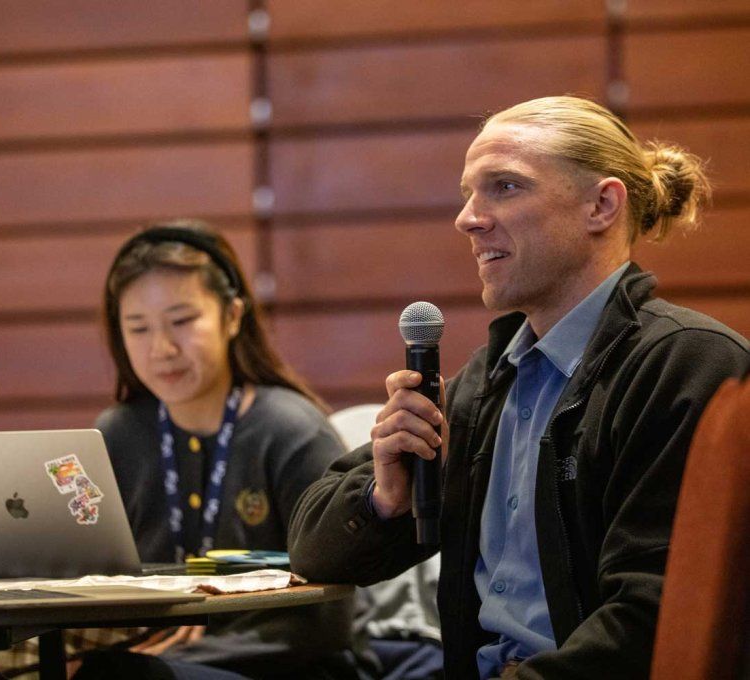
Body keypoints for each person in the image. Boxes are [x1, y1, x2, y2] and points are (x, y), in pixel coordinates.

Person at [288, 95, 750, 679]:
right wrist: (384, 499)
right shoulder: (487, 382)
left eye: (504, 187)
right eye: (468, 194)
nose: (468, 219)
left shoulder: (688, 366)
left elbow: (655, 619)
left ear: (602, 206)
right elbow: (312, 554)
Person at [86, 221, 361, 679]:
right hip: (150, 662)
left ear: (233, 316)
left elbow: (329, 620)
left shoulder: (291, 431)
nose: (162, 348)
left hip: (295, 667)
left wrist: (173, 662)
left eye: (182, 321)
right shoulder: (117, 434)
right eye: (137, 328)